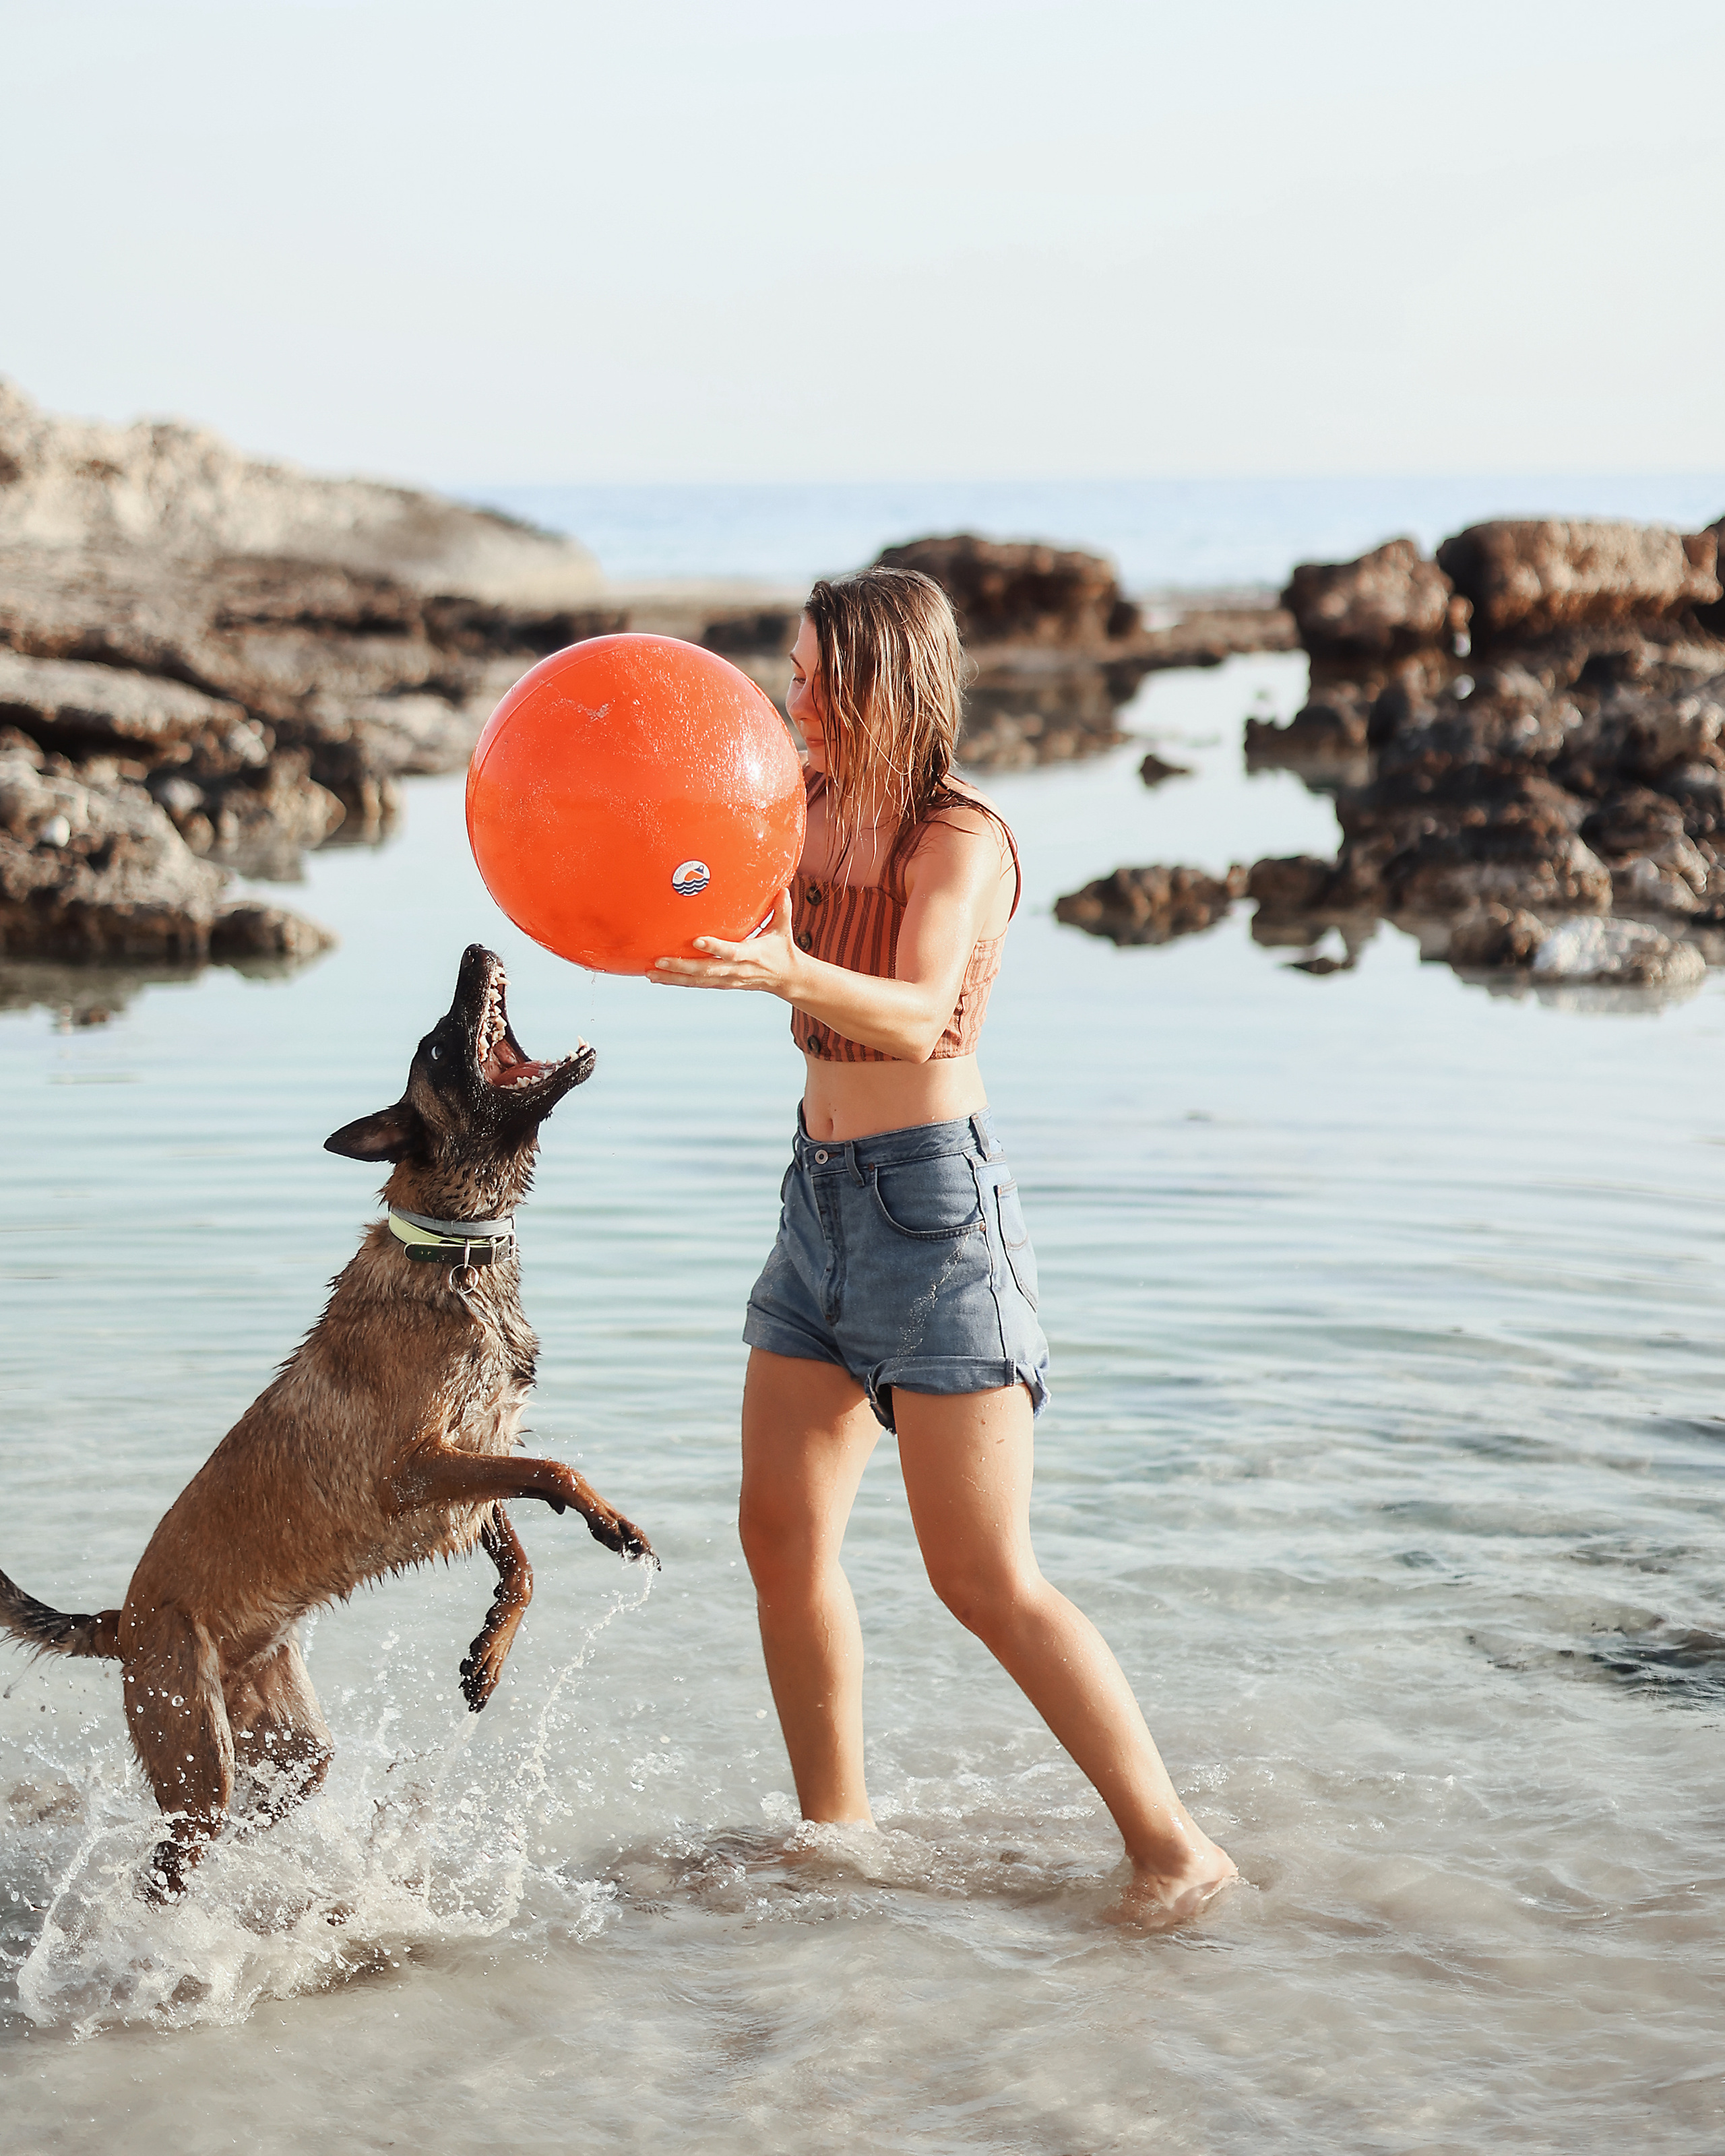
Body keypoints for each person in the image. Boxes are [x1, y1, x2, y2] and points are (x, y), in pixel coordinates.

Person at [652, 567, 1235, 1924]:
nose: (790, 698)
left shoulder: (957, 838)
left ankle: (1174, 1850)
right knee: (776, 1534)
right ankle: (835, 1840)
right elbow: (700, 891)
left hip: (933, 1217)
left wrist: (781, 969)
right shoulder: (799, 813)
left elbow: (916, 1014)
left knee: (980, 1576)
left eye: (812, 676)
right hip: (817, 1209)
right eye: (788, 673)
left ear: (884, 684)